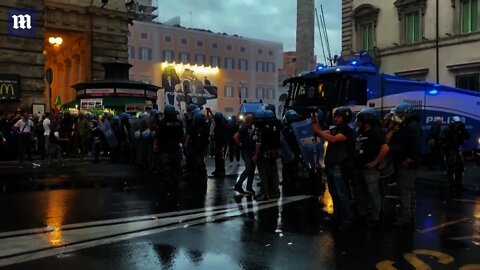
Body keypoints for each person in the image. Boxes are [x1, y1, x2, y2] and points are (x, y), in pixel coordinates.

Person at [312, 107, 355, 230]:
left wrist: (319, 132)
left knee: (342, 193)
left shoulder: (346, 130)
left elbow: (334, 139)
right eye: (335, 116)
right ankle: (337, 215)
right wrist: (315, 121)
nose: (336, 118)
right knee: (334, 193)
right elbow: (321, 132)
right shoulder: (335, 129)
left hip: (340, 165)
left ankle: (347, 219)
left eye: (339, 116)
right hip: (331, 164)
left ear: (345, 117)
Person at [353, 108, 389, 227]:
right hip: (360, 167)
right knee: (361, 192)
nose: (357, 122)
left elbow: (385, 148)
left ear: (366, 121)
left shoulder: (376, 132)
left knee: (373, 193)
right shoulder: (362, 132)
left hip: (370, 169)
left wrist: (374, 162)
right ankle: (362, 214)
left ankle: (376, 217)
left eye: (359, 120)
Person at [389, 102, 422, 227]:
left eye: (399, 113)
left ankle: (405, 218)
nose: (397, 116)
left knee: (405, 191)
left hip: (407, 163)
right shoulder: (410, 125)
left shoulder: (411, 126)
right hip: (408, 161)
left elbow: (414, 144)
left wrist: (409, 158)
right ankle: (409, 216)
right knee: (409, 191)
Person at [253, 110, 281, 201]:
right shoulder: (275, 127)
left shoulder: (259, 129)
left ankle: (265, 194)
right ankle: (275, 192)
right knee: (273, 174)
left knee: (263, 175)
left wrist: (256, 155)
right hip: (272, 154)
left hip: (262, 154)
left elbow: (258, 142)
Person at [154, 105, 185, 181]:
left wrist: (155, 145)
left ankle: (168, 181)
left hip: (165, 148)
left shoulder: (162, 122)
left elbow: (157, 135)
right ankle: (176, 180)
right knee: (176, 165)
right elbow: (182, 134)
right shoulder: (179, 122)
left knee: (166, 167)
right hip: (176, 148)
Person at [441, 116, 470, 193]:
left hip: (457, 149)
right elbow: (442, 139)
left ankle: (458, 185)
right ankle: (452, 186)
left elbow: (467, 137)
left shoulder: (460, 130)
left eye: (458, 124)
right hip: (450, 150)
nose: (457, 125)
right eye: (455, 124)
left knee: (460, 168)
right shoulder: (447, 130)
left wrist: (462, 130)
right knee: (451, 168)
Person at [233, 113, 256, 195]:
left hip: (252, 150)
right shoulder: (244, 128)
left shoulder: (253, 128)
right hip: (246, 151)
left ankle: (249, 186)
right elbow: (235, 136)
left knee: (252, 169)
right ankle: (238, 184)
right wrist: (240, 144)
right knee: (249, 168)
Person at [185, 112, 210, 181]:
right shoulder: (206, 127)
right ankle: (202, 178)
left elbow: (189, 138)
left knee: (197, 164)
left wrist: (188, 147)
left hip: (195, 149)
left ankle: (197, 178)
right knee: (201, 164)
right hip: (202, 149)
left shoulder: (194, 128)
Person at [211, 112, 230, 178]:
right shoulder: (221, 124)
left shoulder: (222, 125)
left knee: (221, 157)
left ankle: (221, 171)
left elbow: (223, 135)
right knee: (218, 157)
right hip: (219, 143)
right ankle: (218, 170)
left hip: (222, 143)